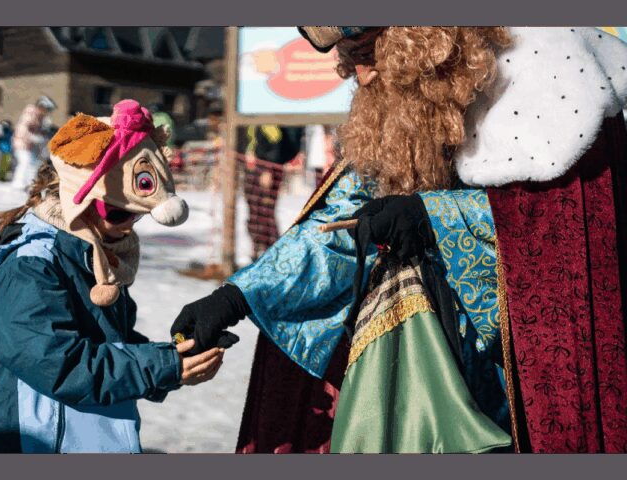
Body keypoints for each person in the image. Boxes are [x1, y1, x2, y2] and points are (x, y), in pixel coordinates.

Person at [172, 27, 627, 453]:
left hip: (514, 385)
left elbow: (560, 233)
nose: (360, 74)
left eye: (367, 52)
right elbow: (341, 222)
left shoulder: (547, 74)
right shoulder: (406, 109)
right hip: (420, 375)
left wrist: (434, 217)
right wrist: (238, 296)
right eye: (348, 57)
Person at [0, 99, 223, 453]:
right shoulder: (30, 267)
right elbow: (60, 364)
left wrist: (177, 355)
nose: (129, 226)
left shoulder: (92, 254)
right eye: (118, 212)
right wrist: (159, 366)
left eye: (137, 215)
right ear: (79, 197)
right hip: (34, 443)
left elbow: (109, 341)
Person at [243, 125, 303, 260]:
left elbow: (275, 142)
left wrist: (267, 169)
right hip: (255, 168)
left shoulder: (268, 123)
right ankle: (258, 247)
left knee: (265, 212)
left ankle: (272, 250)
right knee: (255, 211)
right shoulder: (254, 122)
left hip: (265, 169)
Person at [11, 96, 56, 190]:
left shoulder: (40, 117)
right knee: (25, 161)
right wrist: (33, 137)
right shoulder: (30, 112)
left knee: (34, 163)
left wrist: (42, 136)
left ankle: (29, 183)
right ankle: (18, 183)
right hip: (21, 143)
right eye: (47, 109)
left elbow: (39, 131)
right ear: (42, 106)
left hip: (30, 145)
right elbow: (23, 128)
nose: (47, 112)